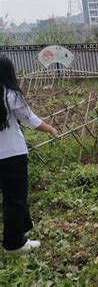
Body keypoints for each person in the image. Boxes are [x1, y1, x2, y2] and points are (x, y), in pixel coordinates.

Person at [0, 56, 59, 254]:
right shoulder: (10, 95)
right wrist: (51, 129)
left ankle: (24, 225)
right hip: (12, 154)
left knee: (11, 196)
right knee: (15, 197)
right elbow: (30, 119)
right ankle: (14, 243)